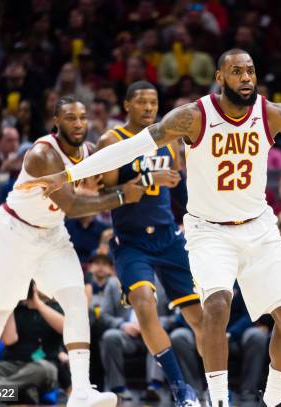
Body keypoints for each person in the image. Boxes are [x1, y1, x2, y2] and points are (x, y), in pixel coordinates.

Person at [16, 48, 281, 407]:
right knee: (216, 306)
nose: (246, 78)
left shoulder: (271, 114)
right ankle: (218, 400)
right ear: (220, 77)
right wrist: (69, 173)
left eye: (250, 71)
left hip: (259, 227)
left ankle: (274, 400)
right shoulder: (194, 116)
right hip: (210, 230)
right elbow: (130, 147)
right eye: (236, 72)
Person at [0, 95, 146, 407]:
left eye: (82, 117)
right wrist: (120, 196)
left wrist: (147, 157)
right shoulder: (42, 154)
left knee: (76, 302)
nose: (78, 124)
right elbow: (73, 206)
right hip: (14, 232)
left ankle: (81, 392)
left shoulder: (87, 152)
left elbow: (105, 171)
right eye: (71, 118)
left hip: (51, 233)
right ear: (56, 122)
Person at [96, 80, 202, 406]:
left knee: (200, 317)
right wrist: (144, 180)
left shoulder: (169, 139)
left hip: (169, 237)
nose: (148, 108)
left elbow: (180, 190)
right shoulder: (111, 140)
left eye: (153, 102)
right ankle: (180, 387)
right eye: (141, 102)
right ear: (126, 105)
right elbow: (102, 195)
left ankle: (216, 387)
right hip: (131, 242)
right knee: (143, 301)